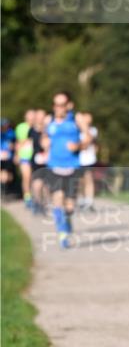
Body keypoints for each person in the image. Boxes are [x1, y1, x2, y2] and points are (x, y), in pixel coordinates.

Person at [41, 93, 90, 248]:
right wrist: (44, 143)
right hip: (54, 165)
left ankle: (67, 220)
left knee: (69, 205)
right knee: (57, 197)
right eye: (55, 104)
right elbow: (43, 138)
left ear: (69, 105)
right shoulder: (49, 120)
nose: (58, 108)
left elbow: (88, 138)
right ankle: (62, 233)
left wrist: (78, 146)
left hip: (72, 166)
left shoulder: (77, 118)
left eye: (61, 105)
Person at [14, 109, 36, 206]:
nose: (31, 117)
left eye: (33, 115)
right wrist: (17, 155)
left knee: (36, 178)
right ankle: (27, 197)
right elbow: (19, 142)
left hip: (36, 157)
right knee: (26, 177)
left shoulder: (38, 127)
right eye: (29, 115)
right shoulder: (21, 127)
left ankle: (37, 197)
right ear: (25, 117)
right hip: (25, 156)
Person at [77, 112, 98, 210]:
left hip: (89, 159)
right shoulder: (76, 131)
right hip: (78, 160)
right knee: (80, 181)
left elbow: (87, 142)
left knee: (89, 179)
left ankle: (89, 201)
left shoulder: (93, 130)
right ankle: (82, 199)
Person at [0, 118, 16, 194]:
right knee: (3, 173)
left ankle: (5, 188)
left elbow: (14, 145)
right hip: (2, 157)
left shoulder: (11, 133)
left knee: (8, 175)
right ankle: (3, 189)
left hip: (8, 157)